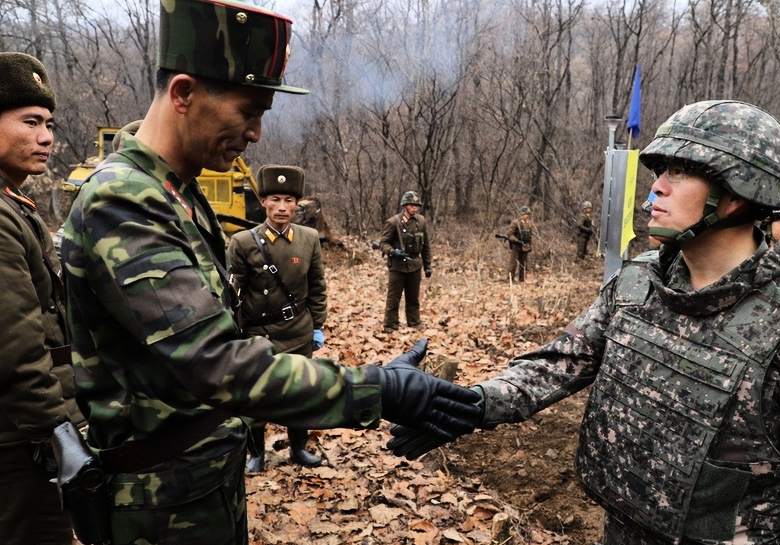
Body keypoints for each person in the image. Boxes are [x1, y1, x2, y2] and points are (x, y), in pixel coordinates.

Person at [59, 1, 481, 543]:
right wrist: (379, 390)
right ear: (184, 94)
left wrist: (370, 374)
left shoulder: (176, 191)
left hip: (200, 479)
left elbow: (220, 340)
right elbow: (218, 364)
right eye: (249, 111)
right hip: (157, 502)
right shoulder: (123, 201)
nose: (256, 134)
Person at [390, 100, 780, 544]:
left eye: (681, 173)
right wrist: (470, 405)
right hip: (624, 525)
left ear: (737, 193)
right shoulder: (639, 282)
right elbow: (558, 364)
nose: (657, 188)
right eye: (660, 171)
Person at [0, 51, 84, 545]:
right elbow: (17, 350)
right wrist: (63, 436)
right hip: (19, 442)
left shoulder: (16, 205)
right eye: (30, 122)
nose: (47, 136)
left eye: (49, 123)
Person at [228, 165, 326, 472]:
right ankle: (255, 453)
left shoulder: (309, 239)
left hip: (298, 329)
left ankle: (298, 449)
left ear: (297, 204)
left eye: (288, 200)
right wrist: (234, 331)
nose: (282, 207)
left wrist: (318, 326)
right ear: (263, 202)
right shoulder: (243, 242)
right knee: (257, 396)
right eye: (274, 199)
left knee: (300, 392)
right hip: (259, 332)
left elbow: (317, 286)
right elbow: (233, 292)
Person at [380, 191, 432, 331]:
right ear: (405, 206)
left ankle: (414, 322)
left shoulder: (421, 221)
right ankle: (390, 325)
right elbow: (383, 243)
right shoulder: (393, 222)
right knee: (393, 299)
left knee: (413, 298)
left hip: (415, 264)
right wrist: (392, 251)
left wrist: (428, 266)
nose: (415, 208)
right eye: (412, 205)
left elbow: (426, 245)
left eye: (416, 206)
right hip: (398, 265)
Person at [506, 206, 533, 282]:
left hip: (525, 245)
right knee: (513, 263)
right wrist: (516, 240)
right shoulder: (516, 222)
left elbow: (530, 235)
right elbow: (509, 234)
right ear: (522, 214)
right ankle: (510, 279)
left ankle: (521, 279)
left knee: (523, 263)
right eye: (526, 214)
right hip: (516, 245)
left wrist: (530, 245)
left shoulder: (529, 223)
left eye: (528, 214)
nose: (527, 216)